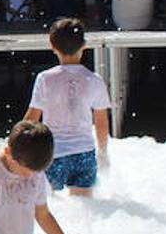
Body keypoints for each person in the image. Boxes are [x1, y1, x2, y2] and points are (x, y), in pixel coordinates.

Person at [23, 18, 111, 197]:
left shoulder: (45, 79)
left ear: (52, 46)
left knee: (50, 209)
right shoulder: (94, 80)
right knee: (84, 210)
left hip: (52, 154)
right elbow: (101, 122)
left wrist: (16, 146)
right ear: (84, 46)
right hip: (84, 154)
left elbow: (32, 118)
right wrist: (103, 152)